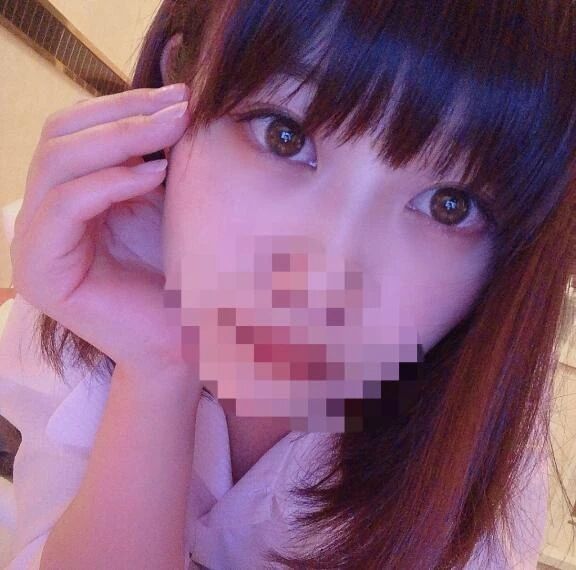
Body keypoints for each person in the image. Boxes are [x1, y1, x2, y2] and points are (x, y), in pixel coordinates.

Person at [1, 0, 574, 568]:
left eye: (450, 205)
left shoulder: (475, 474)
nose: (324, 283)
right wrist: (159, 365)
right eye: (283, 134)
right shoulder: (92, 288)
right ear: (178, 87)